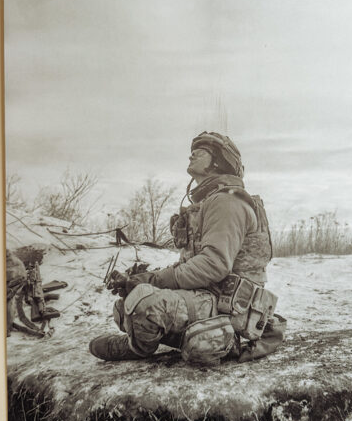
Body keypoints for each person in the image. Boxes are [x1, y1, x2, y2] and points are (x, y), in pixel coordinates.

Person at [89, 131, 286, 365]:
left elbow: (213, 265)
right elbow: (190, 264)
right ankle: (195, 336)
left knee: (144, 306)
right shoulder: (209, 202)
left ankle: (140, 348)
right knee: (124, 307)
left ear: (218, 161)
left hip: (229, 304)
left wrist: (153, 282)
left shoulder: (226, 202)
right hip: (208, 294)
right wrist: (142, 279)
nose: (191, 156)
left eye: (200, 152)